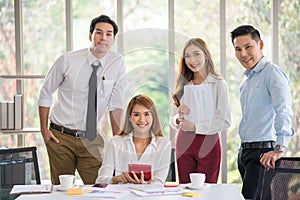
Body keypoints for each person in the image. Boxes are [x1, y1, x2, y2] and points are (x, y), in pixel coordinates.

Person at [38, 15, 127, 185]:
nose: (103, 38)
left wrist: (118, 141)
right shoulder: (67, 60)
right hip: (61, 137)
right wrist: (44, 130)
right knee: (63, 192)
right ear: (90, 35)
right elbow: (45, 93)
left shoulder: (117, 63)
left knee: (100, 188)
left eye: (109, 34)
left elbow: (115, 104)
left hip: (92, 138)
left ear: (113, 39)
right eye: (99, 32)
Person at [230, 25, 294, 199]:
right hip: (245, 152)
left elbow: (284, 111)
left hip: (263, 153)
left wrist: (280, 148)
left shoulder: (272, 74)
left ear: (261, 44)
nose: (243, 54)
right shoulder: (246, 79)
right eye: (238, 49)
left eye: (248, 47)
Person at [170, 38, 231, 184]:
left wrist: (195, 127)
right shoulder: (183, 83)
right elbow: (173, 120)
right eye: (187, 56)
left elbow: (225, 121)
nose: (192, 60)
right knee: (185, 190)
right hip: (184, 142)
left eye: (196, 54)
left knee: (207, 191)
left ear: (206, 55)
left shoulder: (218, 83)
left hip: (208, 143)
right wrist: (178, 119)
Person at [96, 94, 171, 185]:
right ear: (130, 118)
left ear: (153, 117)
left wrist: (147, 185)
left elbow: (159, 181)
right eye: (136, 115)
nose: (142, 120)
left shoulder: (164, 144)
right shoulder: (116, 142)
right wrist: (116, 179)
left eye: (146, 114)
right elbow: (100, 180)